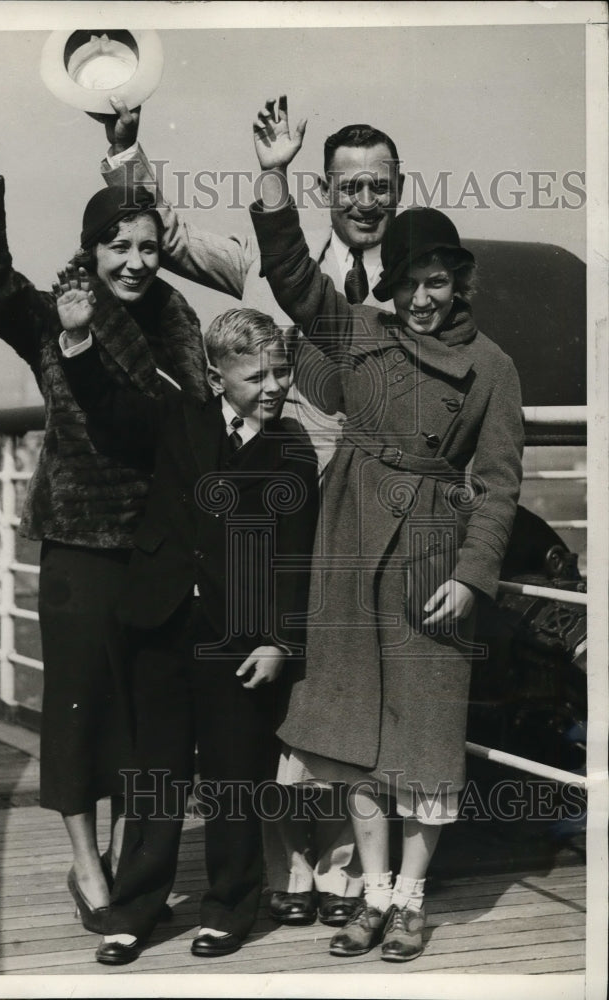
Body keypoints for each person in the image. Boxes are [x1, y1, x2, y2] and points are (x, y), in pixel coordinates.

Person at [94, 94, 406, 929]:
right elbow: (169, 234)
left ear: (398, 191)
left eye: (379, 186)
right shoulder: (274, 264)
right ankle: (284, 868)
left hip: (366, 511)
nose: (363, 202)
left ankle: (345, 868)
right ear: (324, 191)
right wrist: (126, 152)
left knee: (345, 689)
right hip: (278, 507)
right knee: (268, 707)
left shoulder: (414, 283)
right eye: (347, 187)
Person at [248, 98, 525, 962]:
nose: (424, 299)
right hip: (348, 549)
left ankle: (409, 898)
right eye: (410, 281)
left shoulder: (493, 368)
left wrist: (471, 576)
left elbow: (501, 484)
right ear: (390, 283)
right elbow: (291, 276)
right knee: (352, 740)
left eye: (439, 281)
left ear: (459, 283)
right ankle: (368, 894)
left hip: (431, 562)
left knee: (424, 742)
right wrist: (274, 173)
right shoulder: (359, 331)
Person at [0, 112, 208, 934]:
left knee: (149, 722)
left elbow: (175, 423)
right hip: (78, 549)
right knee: (80, 711)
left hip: (156, 547)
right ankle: (87, 867)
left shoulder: (177, 324)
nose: (133, 261)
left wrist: (93, 348)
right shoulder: (54, 313)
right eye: (117, 246)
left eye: (147, 246)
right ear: (91, 250)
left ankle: (133, 871)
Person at [58, 300, 320, 964]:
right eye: (256, 377)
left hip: (238, 639)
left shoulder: (292, 447)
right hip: (158, 624)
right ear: (214, 373)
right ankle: (135, 909)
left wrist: (280, 642)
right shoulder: (180, 419)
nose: (273, 388)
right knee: (155, 777)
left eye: (281, 374)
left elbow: (295, 553)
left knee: (235, 775)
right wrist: (79, 338)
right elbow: (109, 408)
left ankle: (231, 909)